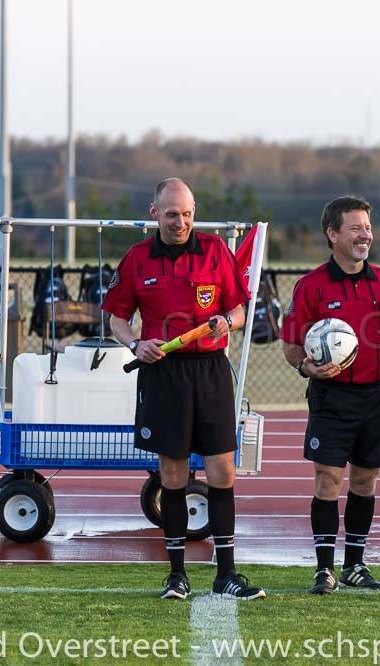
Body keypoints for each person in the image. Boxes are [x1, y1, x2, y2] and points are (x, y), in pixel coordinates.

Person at [103, 178, 265, 601]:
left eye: (188, 213)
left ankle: (226, 574)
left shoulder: (214, 251)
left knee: (222, 472)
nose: (181, 221)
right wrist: (136, 343)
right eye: (172, 213)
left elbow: (239, 310)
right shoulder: (138, 259)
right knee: (172, 476)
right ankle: (176, 574)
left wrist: (226, 323)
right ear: (154, 212)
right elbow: (116, 319)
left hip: (210, 370)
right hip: (163, 374)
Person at [281, 195, 380, 594]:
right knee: (327, 481)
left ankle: (355, 564)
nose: (365, 235)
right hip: (331, 397)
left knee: (365, 481)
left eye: (367, 227)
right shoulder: (311, 286)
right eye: (355, 227)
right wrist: (306, 366)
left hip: (375, 396)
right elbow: (291, 346)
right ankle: (324, 569)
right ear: (333, 234)